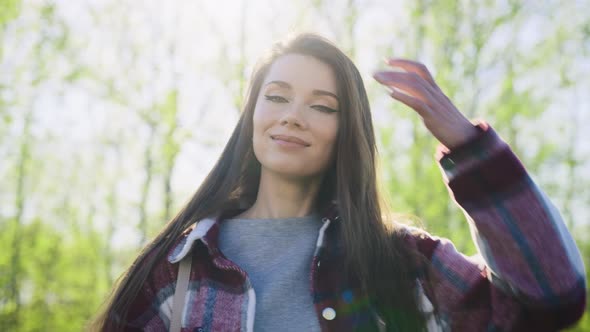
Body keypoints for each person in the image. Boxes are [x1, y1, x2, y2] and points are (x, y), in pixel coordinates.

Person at [90, 33, 586, 331]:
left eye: (323, 106)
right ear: (253, 116)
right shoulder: (175, 269)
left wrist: (468, 147)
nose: (293, 117)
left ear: (347, 132)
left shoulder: (404, 264)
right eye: (277, 97)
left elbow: (552, 300)